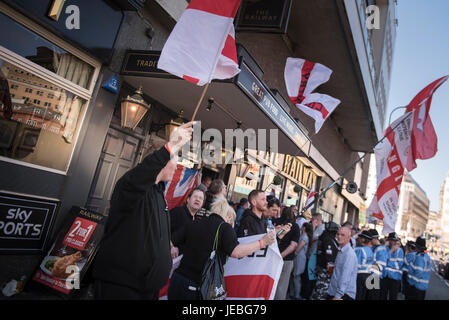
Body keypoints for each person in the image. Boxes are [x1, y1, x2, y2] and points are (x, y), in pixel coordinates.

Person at [92, 122, 194, 300]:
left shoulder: (158, 193)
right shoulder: (131, 186)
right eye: (174, 160)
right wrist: (171, 145)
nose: (178, 167)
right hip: (122, 287)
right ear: (160, 161)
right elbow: (143, 174)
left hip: (147, 288)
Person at [167, 196, 276, 300]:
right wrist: (262, 242)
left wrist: (173, 248)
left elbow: (170, 240)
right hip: (197, 286)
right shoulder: (225, 228)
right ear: (228, 217)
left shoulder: (194, 223)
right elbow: (236, 252)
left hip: (177, 280)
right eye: (231, 220)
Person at [169, 188, 205, 256]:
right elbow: (162, 231)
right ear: (188, 199)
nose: (198, 199)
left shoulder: (196, 220)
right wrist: (171, 247)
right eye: (195, 196)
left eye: (200, 198)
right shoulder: (178, 212)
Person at [273, 207, 299, 300]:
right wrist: (281, 256)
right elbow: (293, 245)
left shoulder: (275, 222)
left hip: (272, 257)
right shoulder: (295, 226)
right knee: (281, 287)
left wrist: (278, 255)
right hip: (286, 259)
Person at [310, 221, 340, 300]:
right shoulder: (328, 239)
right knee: (322, 289)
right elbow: (329, 255)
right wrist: (330, 265)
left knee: (319, 288)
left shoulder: (325, 237)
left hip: (322, 265)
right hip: (325, 267)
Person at [326, 226, 358, 300]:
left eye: (342, 235)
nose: (339, 236)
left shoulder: (349, 254)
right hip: (334, 291)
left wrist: (338, 295)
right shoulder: (340, 250)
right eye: (338, 234)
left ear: (349, 237)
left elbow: (345, 276)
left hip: (344, 294)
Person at [301, 213, 324, 299]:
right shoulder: (319, 228)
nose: (311, 222)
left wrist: (313, 227)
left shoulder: (321, 229)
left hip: (314, 255)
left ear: (317, 220)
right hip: (311, 254)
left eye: (313, 220)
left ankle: (306, 295)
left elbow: (313, 237)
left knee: (309, 276)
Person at [291, 222, 313, 300]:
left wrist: (294, 253)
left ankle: (296, 295)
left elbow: (299, 247)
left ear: (304, 228)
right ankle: (293, 293)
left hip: (299, 258)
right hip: (299, 257)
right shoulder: (303, 236)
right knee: (295, 276)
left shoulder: (304, 237)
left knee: (296, 276)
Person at [381, 232, 404, 300]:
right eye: (392, 240)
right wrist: (391, 251)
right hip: (385, 276)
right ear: (389, 241)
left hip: (395, 278)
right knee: (382, 296)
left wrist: (388, 262)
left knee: (393, 297)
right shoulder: (385, 249)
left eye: (395, 241)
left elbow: (398, 266)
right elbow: (383, 261)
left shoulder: (400, 251)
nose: (394, 242)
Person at [366, 229, 387, 300]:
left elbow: (380, 267)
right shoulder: (372, 247)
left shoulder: (381, 250)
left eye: (369, 239)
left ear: (374, 238)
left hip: (375, 278)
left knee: (372, 297)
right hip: (370, 277)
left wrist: (366, 266)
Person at [354, 230, 374, 300]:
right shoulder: (370, 250)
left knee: (357, 295)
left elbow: (356, 265)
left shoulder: (359, 250)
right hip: (368, 275)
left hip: (359, 275)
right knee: (363, 295)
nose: (358, 239)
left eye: (360, 238)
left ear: (363, 239)